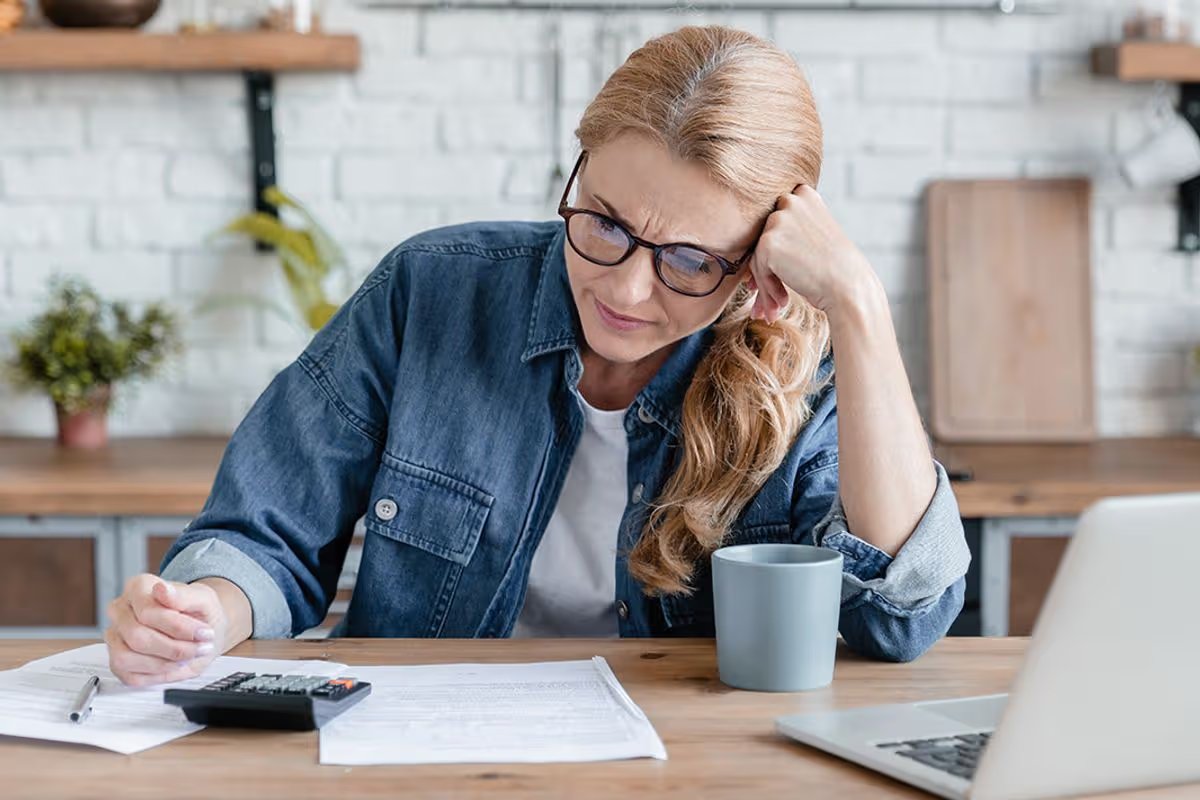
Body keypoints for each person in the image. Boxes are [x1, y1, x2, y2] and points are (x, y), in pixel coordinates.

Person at [105, 25, 969, 687]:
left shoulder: (802, 367)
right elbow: (266, 533)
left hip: (686, 765)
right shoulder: (431, 291)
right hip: (421, 746)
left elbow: (901, 619)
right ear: (579, 169)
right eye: (605, 223)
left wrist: (859, 306)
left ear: (757, 266)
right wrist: (200, 614)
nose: (626, 288)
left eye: (688, 261)